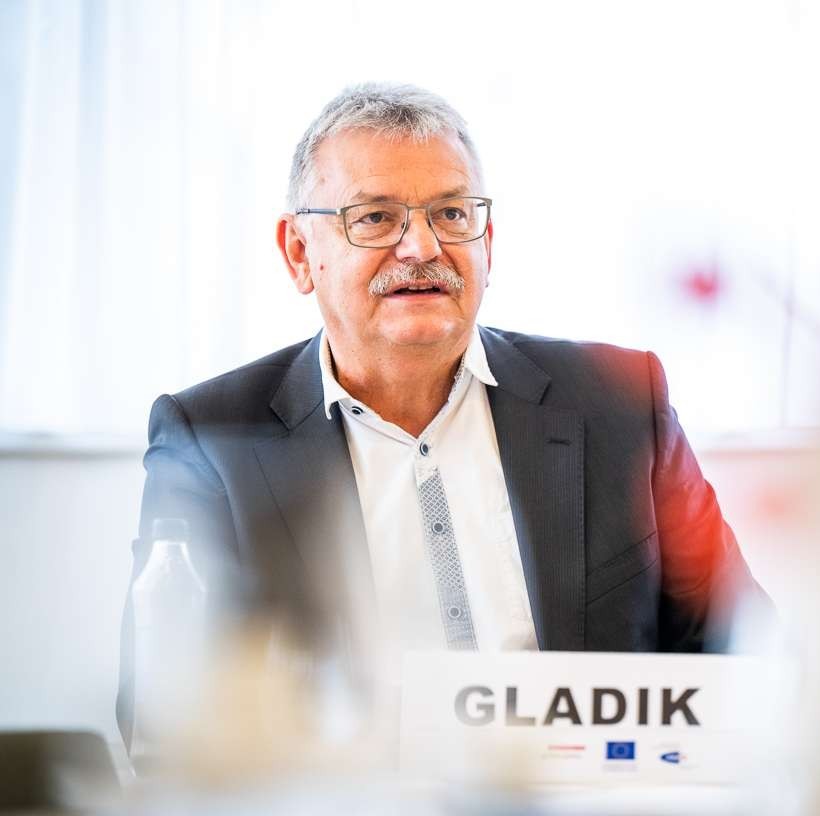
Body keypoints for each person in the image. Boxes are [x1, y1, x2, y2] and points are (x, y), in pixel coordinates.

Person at [117, 83, 764, 747]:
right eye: (375, 218)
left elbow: (749, 654)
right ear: (300, 253)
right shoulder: (212, 441)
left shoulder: (620, 403)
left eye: (451, 213)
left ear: (489, 243)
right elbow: (163, 716)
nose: (422, 247)